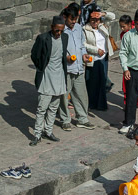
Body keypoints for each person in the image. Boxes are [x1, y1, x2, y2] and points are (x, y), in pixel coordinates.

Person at [29, 16, 68, 145]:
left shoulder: (64, 37)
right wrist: (41, 67)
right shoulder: (43, 38)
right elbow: (34, 55)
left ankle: (48, 131)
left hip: (59, 77)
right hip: (46, 77)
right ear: (52, 27)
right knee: (42, 108)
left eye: (61, 31)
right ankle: (37, 134)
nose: (59, 33)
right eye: (57, 30)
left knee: (53, 107)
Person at [59, 6, 95, 131]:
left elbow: (82, 45)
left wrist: (84, 54)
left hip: (79, 67)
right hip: (67, 69)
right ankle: (65, 120)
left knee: (81, 95)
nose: (74, 22)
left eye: (76, 19)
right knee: (64, 95)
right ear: (65, 17)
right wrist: (66, 58)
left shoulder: (79, 28)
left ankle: (82, 119)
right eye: (71, 19)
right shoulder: (61, 30)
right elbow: (57, 50)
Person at [83, 7, 115, 110]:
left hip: (103, 59)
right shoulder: (85, 29)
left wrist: (102, 14)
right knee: (91, 82)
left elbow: (112, 17)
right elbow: (84, 45)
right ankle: (90, 104)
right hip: (92, 59)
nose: (95, 22)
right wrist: (96, 50)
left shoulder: (103, 26)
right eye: (92, 19)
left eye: (96, 19)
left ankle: (101, 104)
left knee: (102, 81)